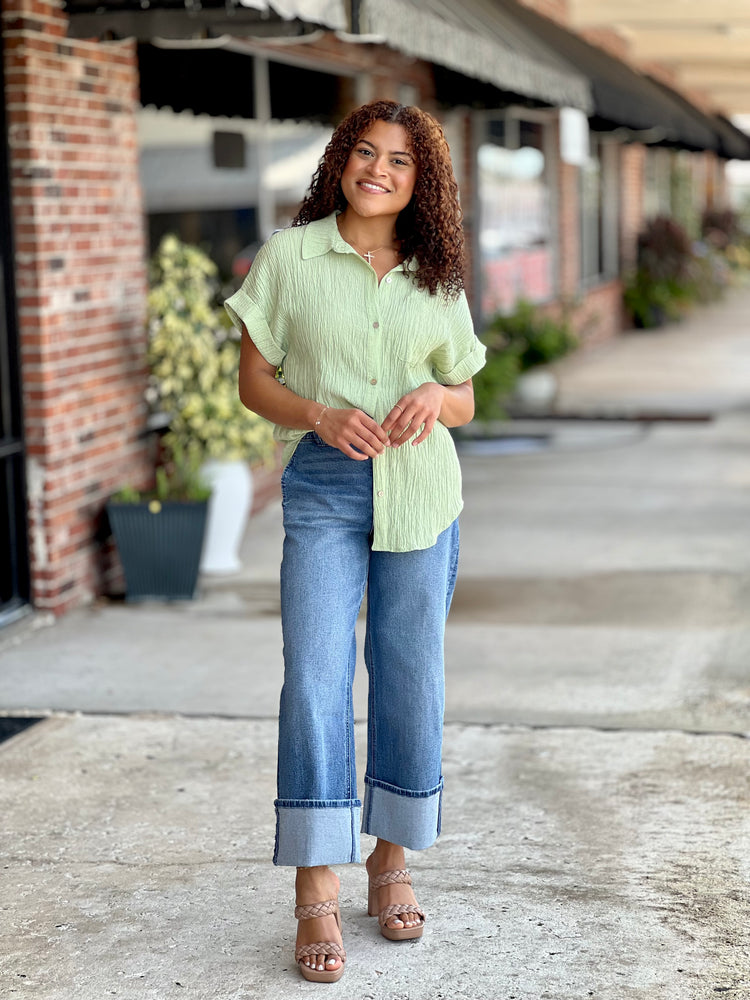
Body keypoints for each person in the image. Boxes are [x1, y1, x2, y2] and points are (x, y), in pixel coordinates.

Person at [225, 98, 486, 983]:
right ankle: (315, 887)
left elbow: (464, 397)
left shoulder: (437, 271)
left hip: (421, 487)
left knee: (411, 676)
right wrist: (317, 414)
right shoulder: (292, 257)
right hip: (327, 488)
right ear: (342, 159)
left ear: (423, 182)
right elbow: (251, 379)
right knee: (316, 678)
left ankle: (391, 861)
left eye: (401, 161)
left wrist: (431, 399)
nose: (380, 169)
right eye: (366, 152)